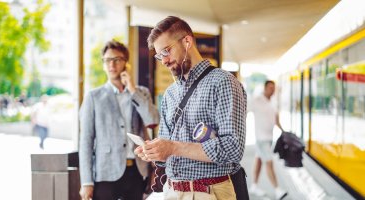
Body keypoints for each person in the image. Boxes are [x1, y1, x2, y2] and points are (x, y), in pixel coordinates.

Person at [135, 16, 248, 200]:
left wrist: (172, 147)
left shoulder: (224, 82)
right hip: (172, 191)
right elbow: (166, 145)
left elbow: (233, 149)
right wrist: (154, 150)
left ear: (187, 41)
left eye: (166, 51)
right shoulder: (170, 93)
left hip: (209, 192)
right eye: (159, 55)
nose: (163, 61)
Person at [79, 40, 160, 200]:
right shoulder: (93, 97)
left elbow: (153, 120)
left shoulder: (140, 92)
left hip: (137, 172)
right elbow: (86, 142)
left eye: (117, 59)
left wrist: (132, 89)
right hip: (106, 173)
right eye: (107, 60)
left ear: (126, 63)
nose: (112, 64)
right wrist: (86, 182)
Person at [248, 80, 288, 199]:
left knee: (259, 160)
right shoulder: (257, 100)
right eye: (270, 88)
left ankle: (254, 186)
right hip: (261, 138)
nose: (272, 90)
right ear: (265, 88)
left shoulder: (273, 102)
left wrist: (284, 132)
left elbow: (276, 120)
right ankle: (277, 189)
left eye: (273, 88)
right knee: (269, 161)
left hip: (269, 137)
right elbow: (245, 111)